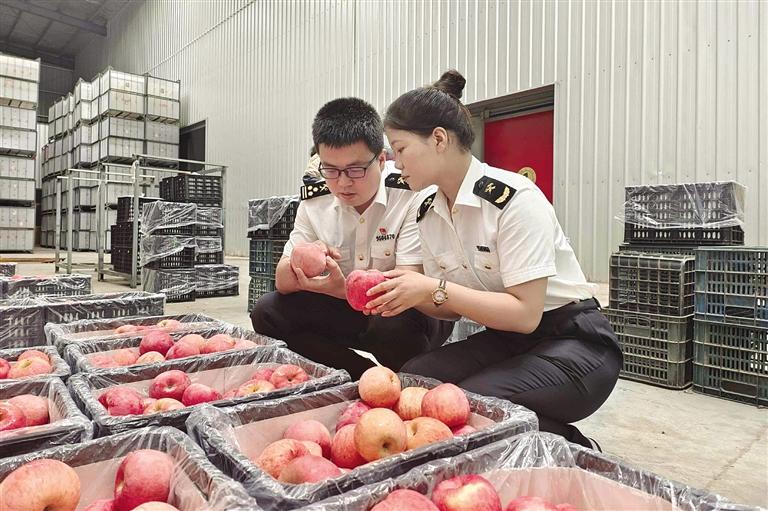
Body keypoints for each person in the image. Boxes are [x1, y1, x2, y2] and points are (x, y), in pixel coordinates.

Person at [363, 70, 622, 449]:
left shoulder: (514, 200)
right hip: (507, 338)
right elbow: (447, 308)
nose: (395, 162)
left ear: (438, 139)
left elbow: (525, 314)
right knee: (416, 380)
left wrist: (432, 289)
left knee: (473, 403)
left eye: (400, 149)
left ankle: (574, 449)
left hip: (575, 341)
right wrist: (404, 292)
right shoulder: (426, 210)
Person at [251, 97, 452, 380]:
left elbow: (405, 284)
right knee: (266, 312)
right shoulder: (315, 202)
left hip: (411, 310)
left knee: (390, 324)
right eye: (331, 170)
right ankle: (360, 377)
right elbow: (283, 280)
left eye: (356, 170)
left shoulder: (410, 193)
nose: (343, 183)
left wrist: (342, 289)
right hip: (351, 308)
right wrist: (304, 257)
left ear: (380, 160)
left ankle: (406, 380)